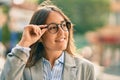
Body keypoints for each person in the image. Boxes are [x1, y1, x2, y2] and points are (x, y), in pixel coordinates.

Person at [0, 1, 96, 80]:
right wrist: (24, 43)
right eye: (53, 27)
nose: (62, 32)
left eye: (64, 25)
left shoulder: (85, 68)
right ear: (40, 35)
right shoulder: (22, 67)